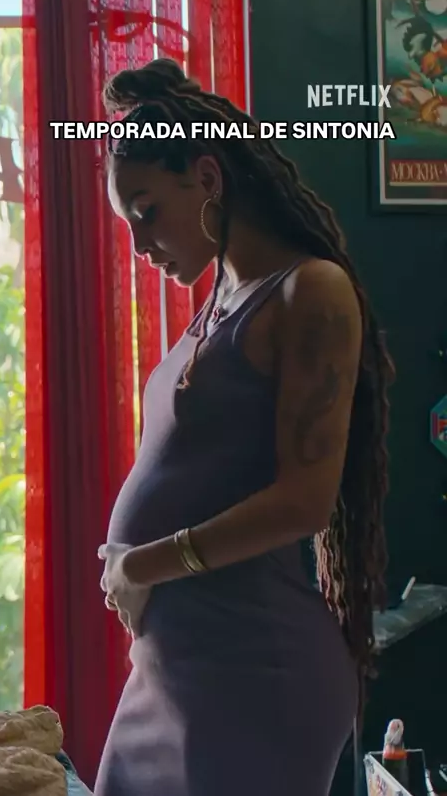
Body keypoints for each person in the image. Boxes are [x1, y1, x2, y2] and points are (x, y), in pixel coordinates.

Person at [94, 58, 394, 796]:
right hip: (174, 676)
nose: (139, 244)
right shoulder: (220, 300)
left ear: (207, 177)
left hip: (256, 676)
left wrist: (141, 565)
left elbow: (303, 503)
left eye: (145, 211)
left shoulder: (309, 291)